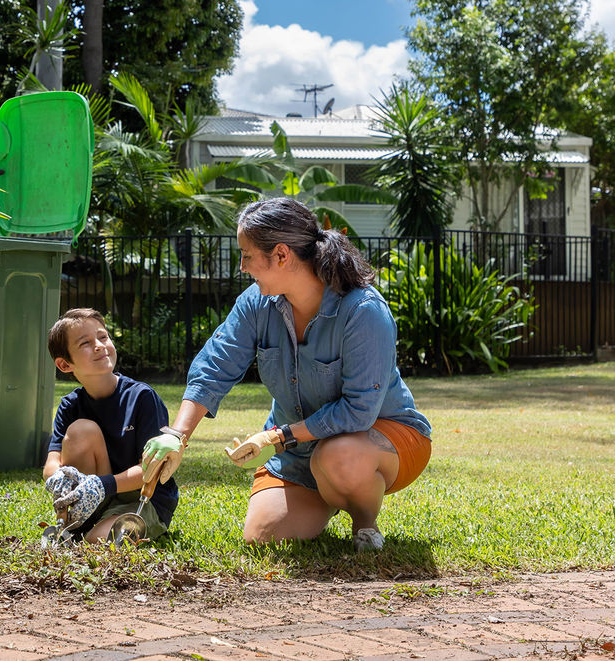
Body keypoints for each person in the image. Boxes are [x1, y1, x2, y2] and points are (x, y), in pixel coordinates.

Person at [141, 197, 431, 552]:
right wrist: (177, 435)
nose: (242, 267)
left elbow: (358, 411)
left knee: (336, 456)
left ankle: (364, 524)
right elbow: (215, 364)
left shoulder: (363, 310)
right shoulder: (256, 303)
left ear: (281, 255)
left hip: (380, 438)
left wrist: (278, 437)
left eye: (247, 255)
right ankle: (326, 489)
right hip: (295, 449)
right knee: (263, 538)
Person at [42, 308, 179, 542]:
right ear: (65, 365)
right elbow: (51, 464)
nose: (99, 345)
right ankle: (78, 523)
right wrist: (60, 479)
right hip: (93, 499)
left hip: (142, 498)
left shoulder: (142, 397)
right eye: (85, 342)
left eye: (103, 337)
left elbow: (150, 470)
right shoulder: (70, 406)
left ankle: (90, 532)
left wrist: (102, 485)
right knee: (81, 430)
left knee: (97, 542)